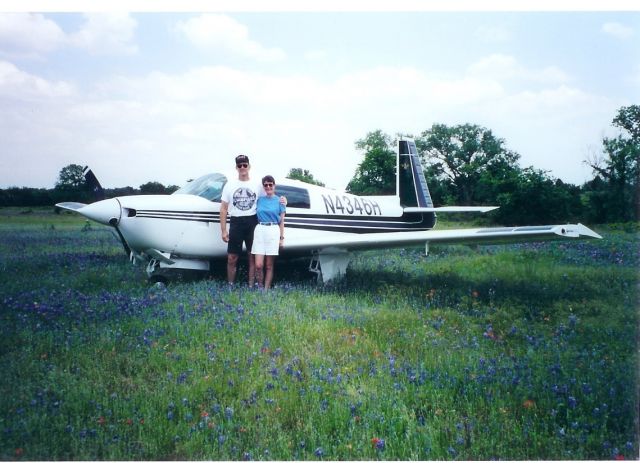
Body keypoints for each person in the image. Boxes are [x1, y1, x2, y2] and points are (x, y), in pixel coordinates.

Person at [219, 155, 285, 287]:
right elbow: (223, 208)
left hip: (252, 222)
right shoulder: (229, 185)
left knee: (252, 257)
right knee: (232, 257)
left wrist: (283, 199)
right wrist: (223, 230)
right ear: (236, 167)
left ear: (249, 166)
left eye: (245, 164)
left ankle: (251, 285)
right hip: (236, 222)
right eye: (239, 165)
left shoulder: (257, 185)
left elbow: (270, 194)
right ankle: (230, 285)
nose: (242, 167)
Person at [252, 175, 285, 290]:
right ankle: (260, 287)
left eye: (270, 184)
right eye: (266, 185)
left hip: (273, 230)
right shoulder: (259, 200)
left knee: (269, 265)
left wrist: (281, 238)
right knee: (259, 265)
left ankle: (266, 289)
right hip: (260, 229)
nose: (268, 187)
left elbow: (282, 221)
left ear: (274, 185)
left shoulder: (280, 201)